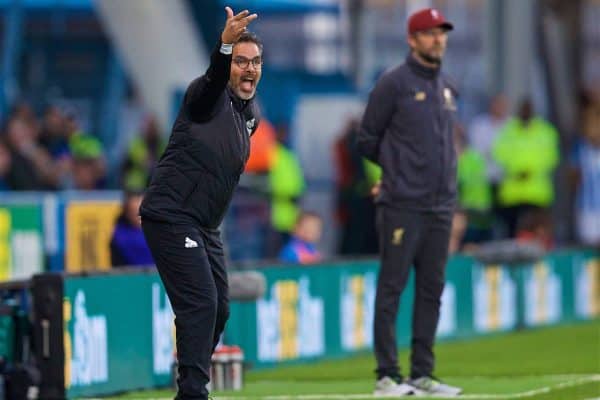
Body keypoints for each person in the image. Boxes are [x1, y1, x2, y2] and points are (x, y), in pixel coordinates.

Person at [139, 7, 260, 400]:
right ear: (228, 66)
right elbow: (211, 80)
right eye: (240, 61)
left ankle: (189, 382)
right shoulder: (203, 97)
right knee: (201, 303)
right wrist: (225, 44)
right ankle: (193, 391)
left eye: (255, 62)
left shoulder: (249, 116)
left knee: (220, 309)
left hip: (205, 226)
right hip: (171, 216)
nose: (249, 69)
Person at [357, 7, 462, 397]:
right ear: (412, 39)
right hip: (402, 203)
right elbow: (367, 139)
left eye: (442, 33)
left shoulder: (447, 86)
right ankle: (387, 375)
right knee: (393, 287)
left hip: (440, 205)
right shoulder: (393, 84)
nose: (439, 39)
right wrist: (395, 172)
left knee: (431, 290)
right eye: (431, 33)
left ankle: (423, 373)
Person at [492, 98, 559, 237]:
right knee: (512, 233)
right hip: (513, 193)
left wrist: (530, 171)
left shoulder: (545, 131)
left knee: (537, 232)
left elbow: (551, 157)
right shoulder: (509, 130)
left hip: (536, 193)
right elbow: (499, 154)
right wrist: (517, 171)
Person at [110, 191, 154, 267]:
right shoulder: (120, 237)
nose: (139, 216)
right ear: (127, 213)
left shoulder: (160, 231)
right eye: (134, 212)